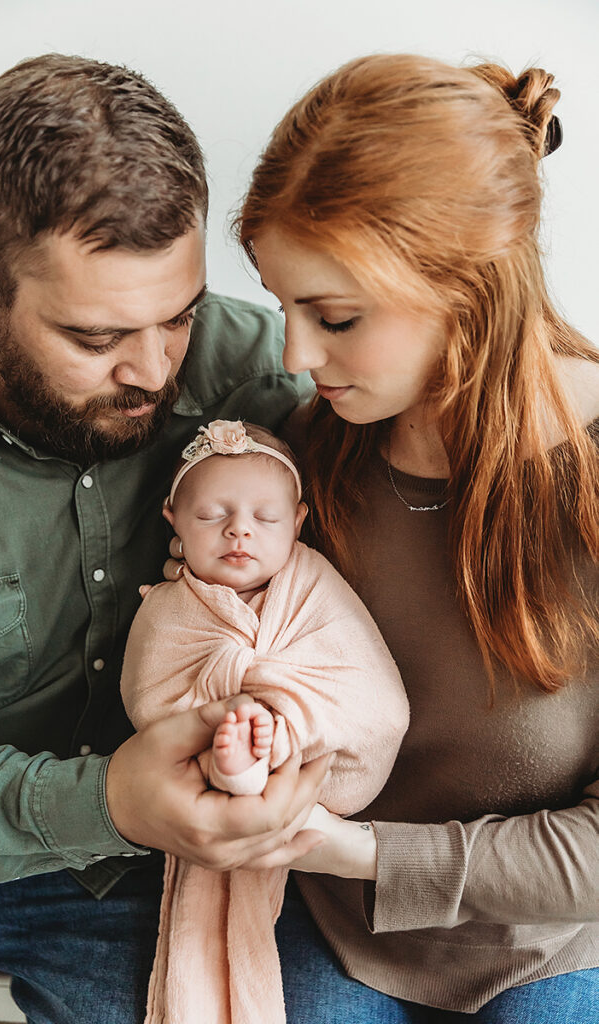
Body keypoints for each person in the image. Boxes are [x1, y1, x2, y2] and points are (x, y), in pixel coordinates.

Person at [0, 54, 331, 1024]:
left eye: (176, 317)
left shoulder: (261, 376)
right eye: (96, 338)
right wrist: (103, 799)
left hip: (139, 881)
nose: (152, 371)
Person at [232, 54, 599, 1021]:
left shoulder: (590, 474)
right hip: (335, 923)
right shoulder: (301, 462)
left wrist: (354, 849)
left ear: (467, 289)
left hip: (554, 938)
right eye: (282, 306)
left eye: (336, 317)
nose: (294, 357)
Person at [120, 418, 409, 1024]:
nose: (239, 530)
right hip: (200, 770)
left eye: (265, 518)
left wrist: (283, 712)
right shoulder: (170, 606)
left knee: (291, 719)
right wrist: (221, 704)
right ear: (172, 518)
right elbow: (150, 695)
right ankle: (236, 763)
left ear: (299, 521)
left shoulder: (316, 584)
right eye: (211, 516)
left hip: (320, 774)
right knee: (192, 737)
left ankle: (255, 755)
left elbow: (369, 689)